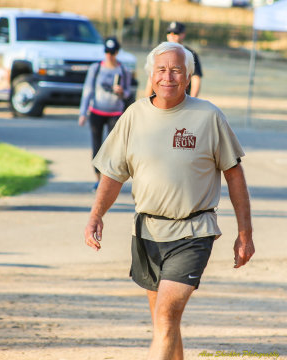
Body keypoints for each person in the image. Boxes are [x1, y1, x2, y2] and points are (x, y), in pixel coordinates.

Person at [83, 42, 255, 359]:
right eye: (161, 70)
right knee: (165, 324)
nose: (168, 77)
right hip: (147, 233)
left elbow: (234, 175)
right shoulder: (133, 116)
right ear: (150, 75)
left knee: (164, 317)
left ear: (188, 76)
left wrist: (245, 234)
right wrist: (96, 215)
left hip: (193, 232)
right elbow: (112, 174)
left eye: (176, 70)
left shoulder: (208, 116)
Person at [79, 37, 132, 191]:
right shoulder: (95, 68)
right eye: (107, 52)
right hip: (96, 112)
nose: (109, 55)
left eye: (112, 52)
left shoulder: (123, 70)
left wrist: (122, 92)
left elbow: (129, 92)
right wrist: (83, 113)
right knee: (97, 146)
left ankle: (108, 179)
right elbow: (87, 90)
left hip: (115, 113)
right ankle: (98, 178)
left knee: (112, 149)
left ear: (117, 53)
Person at [144, 21, 203, 98]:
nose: (171, 36)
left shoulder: (190, 54)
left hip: (181, 99)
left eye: (175, 33)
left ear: (183, 35)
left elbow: (195, 78)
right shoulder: (158, 52)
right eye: (169, 33)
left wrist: (193, 99)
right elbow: (151, 77)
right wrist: (147, 99)